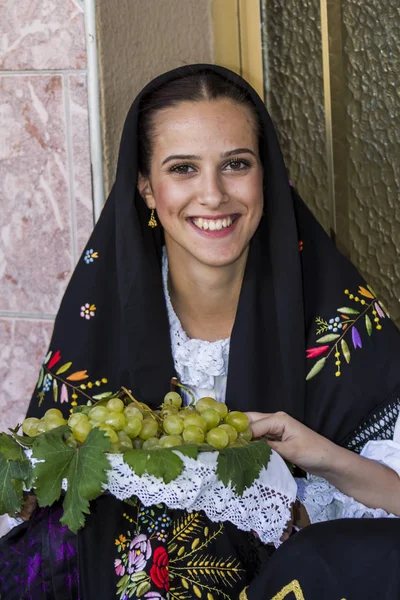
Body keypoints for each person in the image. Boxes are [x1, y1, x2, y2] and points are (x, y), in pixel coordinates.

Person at [1, 64, 400, 599]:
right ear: (146, 186)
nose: (213, 195)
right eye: (183, 168)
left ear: (267, 174)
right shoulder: (102, 317)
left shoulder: (335, 320)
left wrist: (318, 454)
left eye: (236, 164)